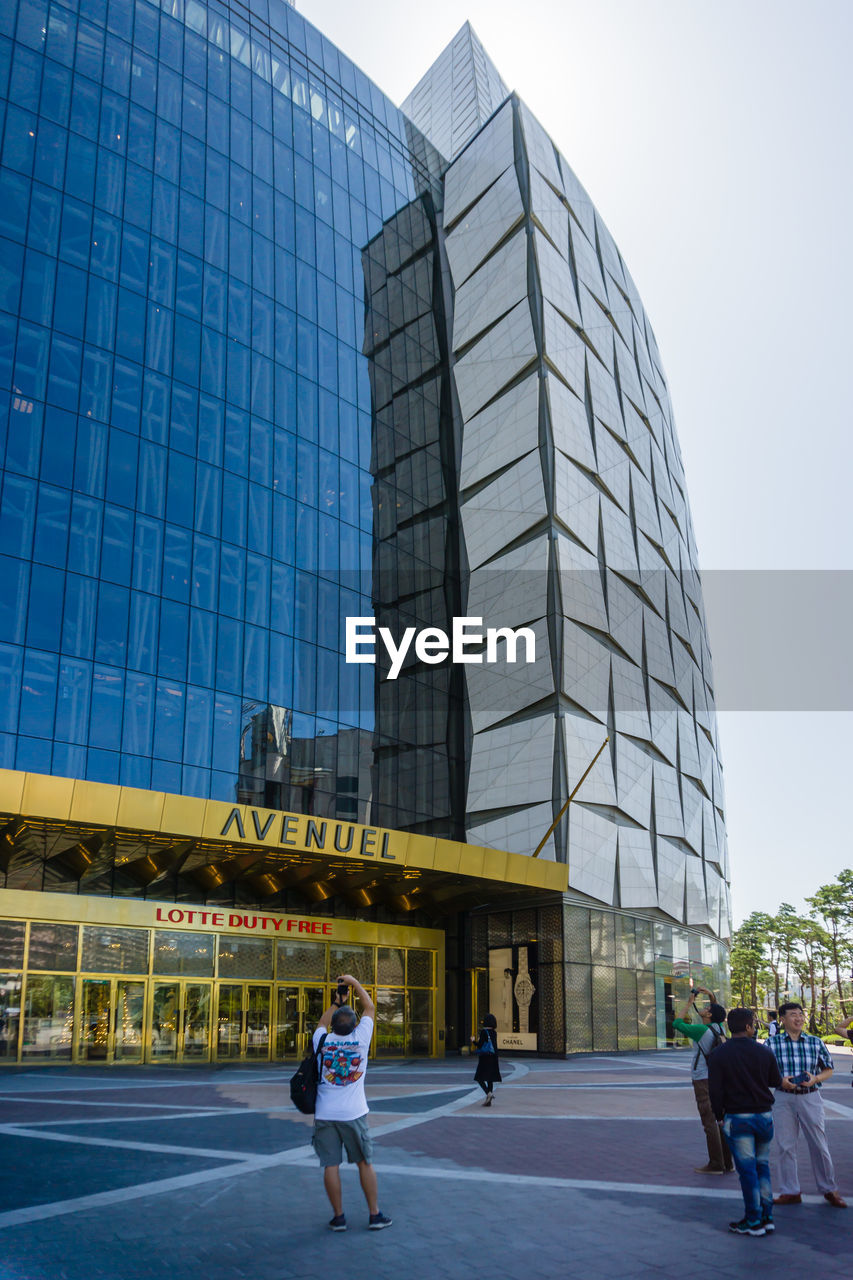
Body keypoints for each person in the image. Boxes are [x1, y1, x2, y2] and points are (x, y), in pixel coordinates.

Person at [311, 973, 392, 1231]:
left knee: (330, 1165)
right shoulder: (361, 1039)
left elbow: (320, 1025)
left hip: (325, 1113)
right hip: (354, 1113)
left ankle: (338, 1217)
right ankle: (374, 1214)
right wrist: (354, 983)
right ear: (355, 1025)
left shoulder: (322, 1040)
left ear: (334, 1026)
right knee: (364, 1163)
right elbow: (370, 1007)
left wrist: (336, 1002)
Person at [707, 1006, 784, 1236]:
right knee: (762, 1166)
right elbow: (775, 1080)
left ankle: (753, 1220)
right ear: (749, 1026)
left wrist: (719, 1116)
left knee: (747, 1171)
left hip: (737, 1118)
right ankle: (766, 1217)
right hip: (763, 1116)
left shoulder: (719, 1055)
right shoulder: (764, 1052)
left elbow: (715, 1091)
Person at [767, 1000, 847, 1209]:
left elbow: (828, 1069)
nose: (799, 1018)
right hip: (783, 1098)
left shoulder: (815, 1042)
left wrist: (815, 1079)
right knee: (785, 1146)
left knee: (819, 1145)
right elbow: (763, 1073)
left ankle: (829, 1189)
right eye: (793, 1015)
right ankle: (790, 1191)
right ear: (782, 1019)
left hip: (811, 1096)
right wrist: (779, 1081)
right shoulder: (772, 1044)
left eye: (800, 1014)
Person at [671, 985, 733, 1174]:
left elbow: (677, 1023)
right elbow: (718, 1012)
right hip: (719, 1080)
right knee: (721, 1119)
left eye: (706, 1008)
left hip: (702, 1079)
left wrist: (689, 1002)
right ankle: (727, 1163)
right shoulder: (720, 1029)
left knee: (709, 1120)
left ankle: (715, 1163)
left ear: (709, 1015)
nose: (704, 1009)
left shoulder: (700, 1031)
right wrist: (711, 996)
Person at [472, 1012, 501, 1106]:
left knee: (479, 1077)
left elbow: (480, 1045)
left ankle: (488, 1093)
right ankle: (489, 1102)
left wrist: (473, 1041)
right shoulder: (494, 1033)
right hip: (493, 1058)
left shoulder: (484, 1032)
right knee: (490, 1079)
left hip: (485, 1058)